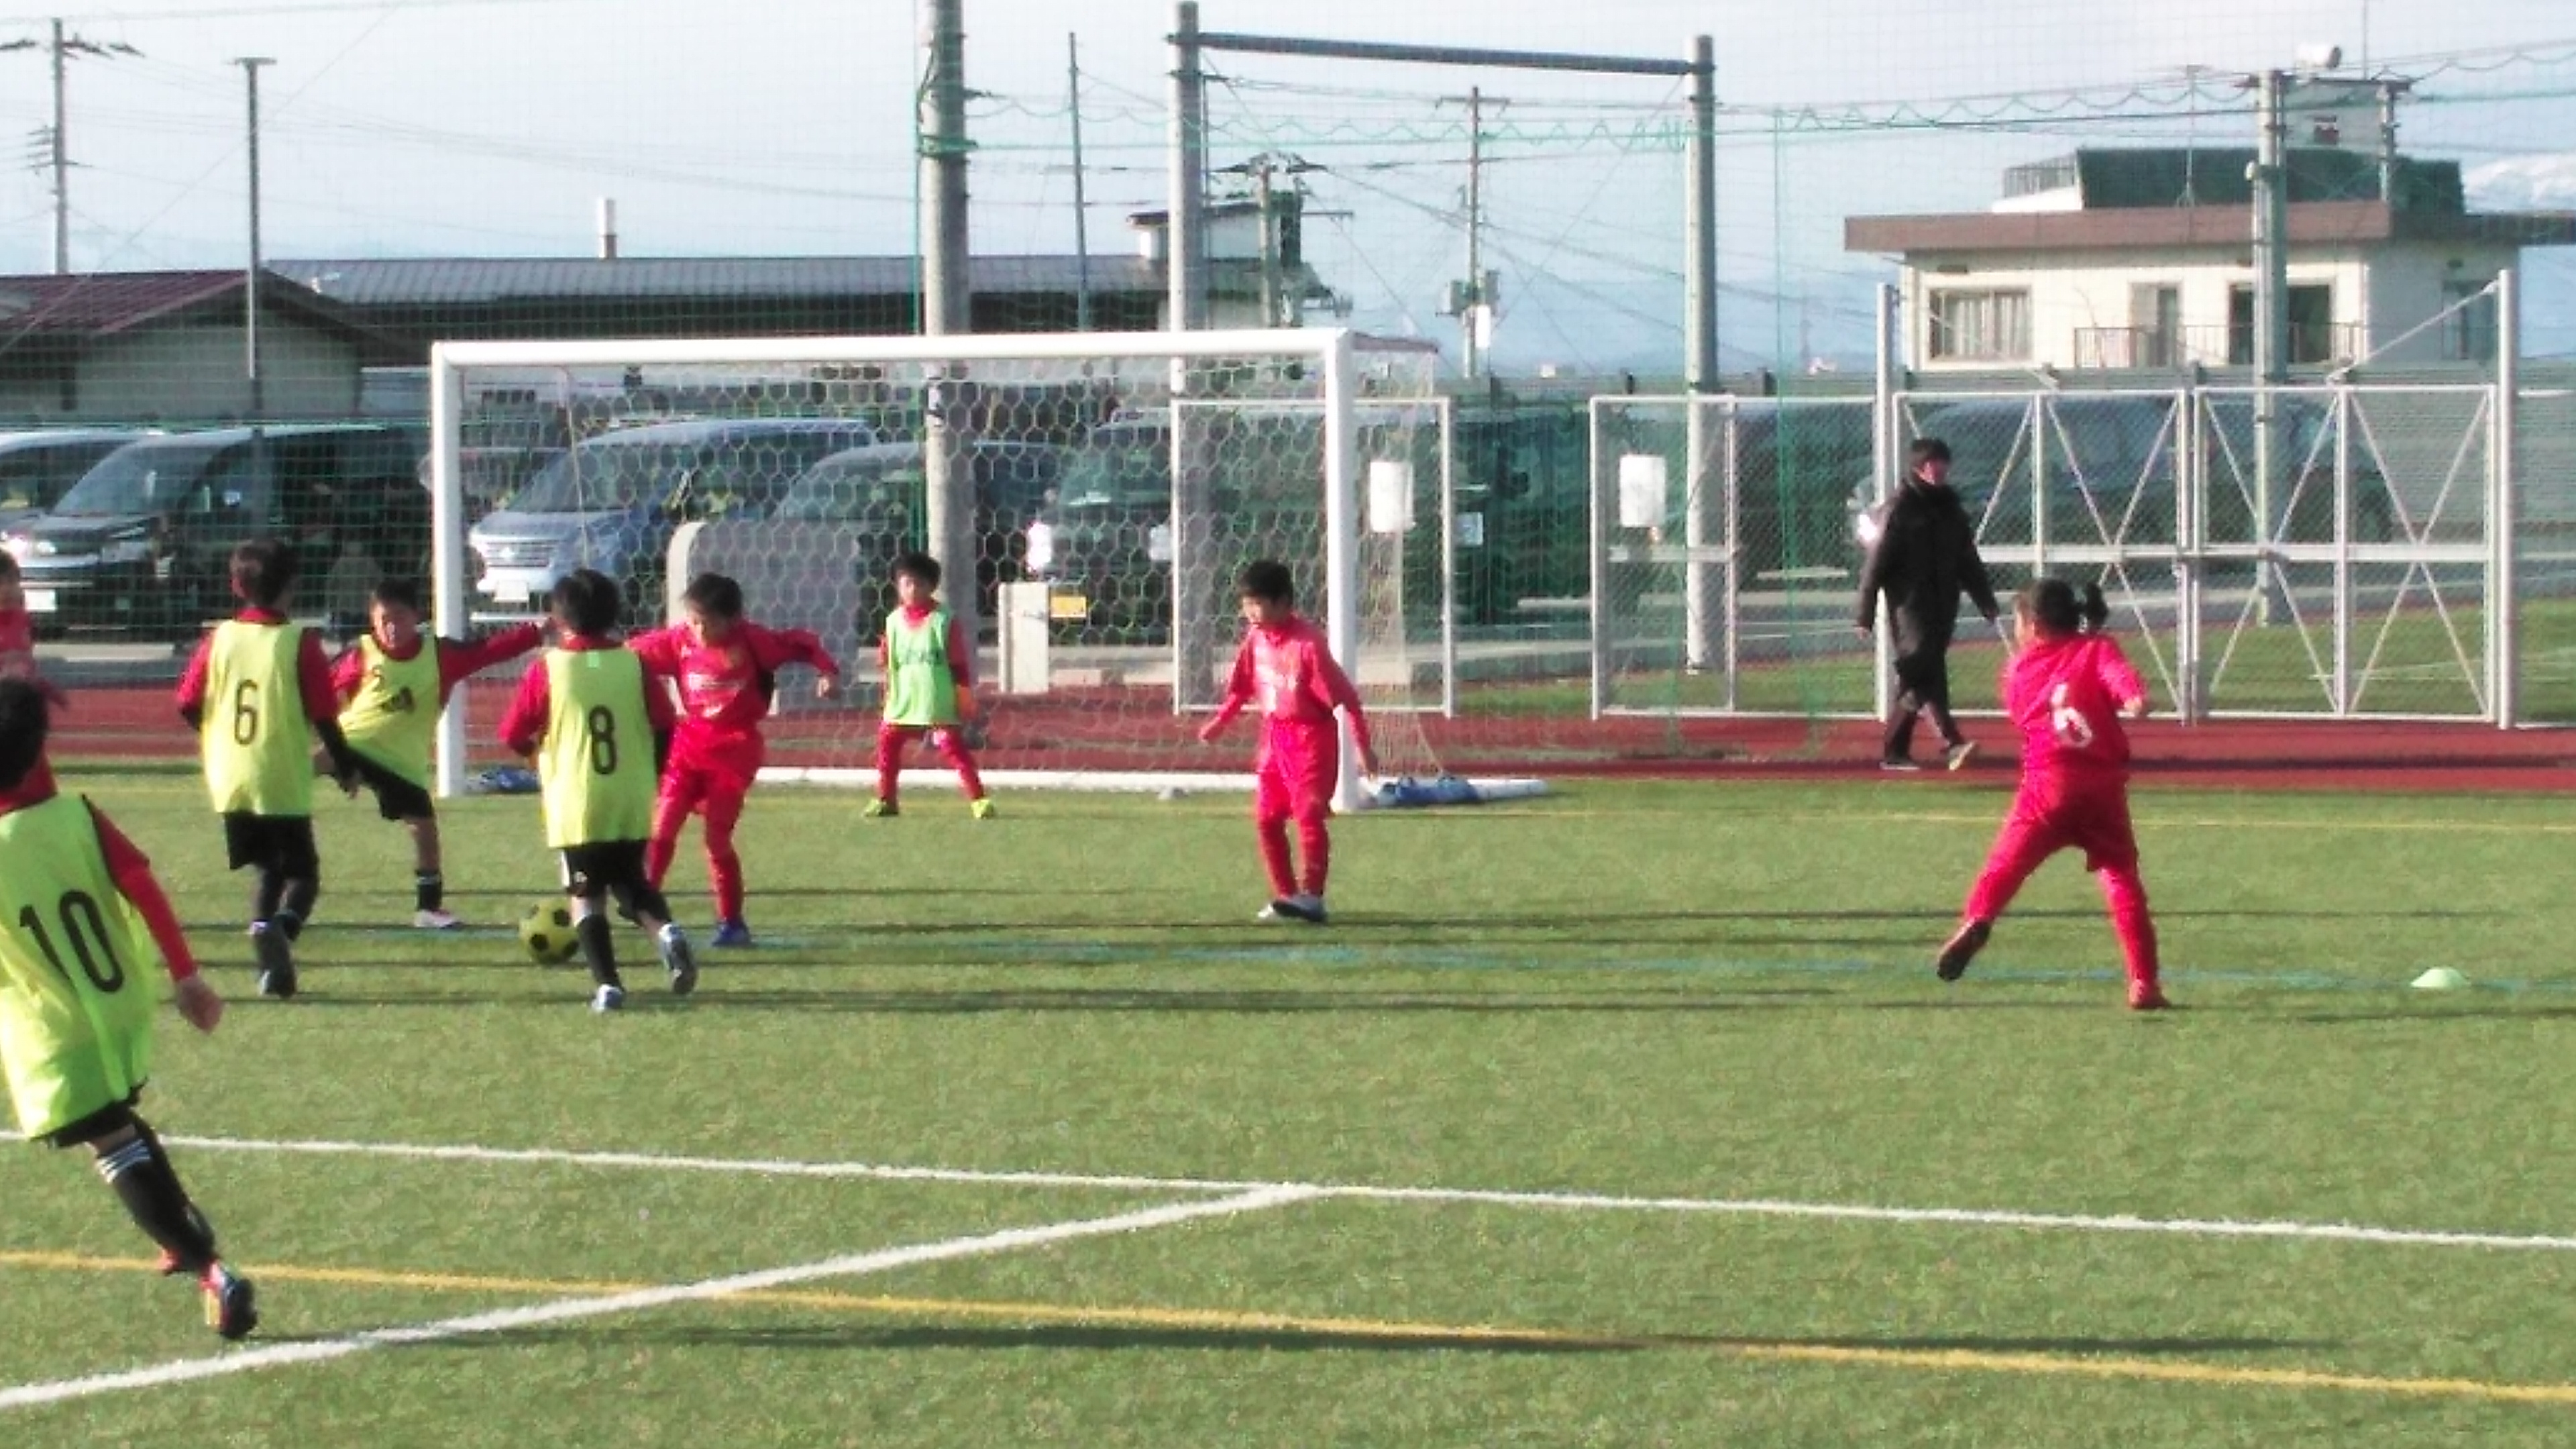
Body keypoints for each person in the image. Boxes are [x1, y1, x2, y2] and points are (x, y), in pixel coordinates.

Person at [0, 679, 259, 1338]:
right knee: (120, 1122)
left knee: (110, 1142)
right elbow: (142, 883)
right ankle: (182, 1237)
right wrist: (188, 976)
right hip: (118, 1002)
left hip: (53, 1032)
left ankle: (213, 1272)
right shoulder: (78, 816)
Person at [1935, 578, 2168, 1012]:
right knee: (2121, 880)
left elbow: (2024, 711)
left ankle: (1979, 919)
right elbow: (2120, 682)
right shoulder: (2099, 649)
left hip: (2047, 784)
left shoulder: (2018, 670)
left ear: (2035, 624)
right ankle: (2144, 983)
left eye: (2019, 620)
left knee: (2004, 866)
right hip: (2100, 786)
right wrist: (2134, 698)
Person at [498, 568, 698, 1012]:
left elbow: (512, 733)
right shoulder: (634, 662)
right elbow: (666, 723)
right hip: (629, 793)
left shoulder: (548, 668)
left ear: (559, 618)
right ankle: (666, 931)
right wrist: (653, 771)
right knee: (630, 879)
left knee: (586, 896)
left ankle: (608, 985)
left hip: (577, 800)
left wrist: (538, 754)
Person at [175, 539, 359, 1001]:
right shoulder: (299, 643)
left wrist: (215, 737)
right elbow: (323, 716)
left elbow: (186, 703)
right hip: (278, 776)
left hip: (229, 778)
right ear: (293, 587)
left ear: (237, 586)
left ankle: (266, 952)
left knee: (266, 872)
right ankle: (279, 931)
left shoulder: (218, 640)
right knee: (303, 876)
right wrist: (345, 768)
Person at [627, 572, 841, 947]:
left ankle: (732, 922)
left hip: (734, 754)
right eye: (692, 620)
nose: (696, 630)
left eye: (705, 622)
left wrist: (827, 671)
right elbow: (630, 653)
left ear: (733, 619)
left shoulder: (754, 642)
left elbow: (802, 644)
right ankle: (645, 904)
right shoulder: (680, 641)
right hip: (687, 749)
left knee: (716, 841)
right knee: (662, 829)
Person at [331, 580, 543, 930]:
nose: (391, 628)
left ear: (416, 617)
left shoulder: (440, 655)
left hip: (400, 764)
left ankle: (428, 909)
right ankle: (269, 819)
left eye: (398, 618)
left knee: (425, 832)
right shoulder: (361, 654)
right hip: (354, 744)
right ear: (372, 620)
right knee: (309, 764)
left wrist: (536, 632)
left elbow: (489, 650)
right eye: (383, 620)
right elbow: (325, 690)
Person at [1196, 559, 1379, 924]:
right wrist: (1220, 723)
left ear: (1284, 603)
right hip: (1274, 739)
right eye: (1246, 604)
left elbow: (1348, 698)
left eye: (1257, 603)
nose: (1249, 612)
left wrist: (1364, 747)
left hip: (1312, 739)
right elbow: (1242, 689)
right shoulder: (1255, 640)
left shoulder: (1309, 645)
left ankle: (1312, 897)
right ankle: (1285, 896)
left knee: (1309, 814)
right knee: (1265, 818)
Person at [1856, 437, 2000, 771]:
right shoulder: (1899, 508)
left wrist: (1985, 601)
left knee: (1918, 676)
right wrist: (1864, 614)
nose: (1939, 469)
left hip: (1944, 603)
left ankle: (1894, 752)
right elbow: (1876, 565)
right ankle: (1950, 743)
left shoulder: (1950, 508)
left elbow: (1967, 560)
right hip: (1909, 607)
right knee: (1922, 668)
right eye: (1932, 463)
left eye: (1942, 463)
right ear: (1919, 467)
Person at [864, 551, 991, 820]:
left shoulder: (944, 620)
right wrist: (887, 695)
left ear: (931, 587)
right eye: (906, 583)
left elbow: (958, 664)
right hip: (904, 700)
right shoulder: (893, 621)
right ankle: (886, 799)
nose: (912, 590)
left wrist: (964, 696)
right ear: (898, 586)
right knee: (887, 744)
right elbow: (888, 664)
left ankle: (979, 800)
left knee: (952, 747)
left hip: (936, 700)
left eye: (919, 584)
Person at [0, 554, 64, 706]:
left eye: (12, 582)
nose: (7, 589)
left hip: (21, 698)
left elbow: (27, 662)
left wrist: (46, 689)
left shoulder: (23, 620)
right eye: (0, 583)